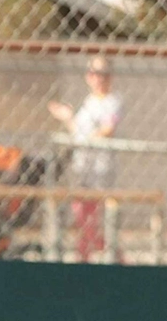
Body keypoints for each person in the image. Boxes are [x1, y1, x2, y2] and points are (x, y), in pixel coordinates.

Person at [48, 56, 122, 262]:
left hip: (100, 169)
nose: (98, 78)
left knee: (93, 217)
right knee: (82, 216)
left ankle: (99, 257)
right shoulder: (89, 103)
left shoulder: (112, 101)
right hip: (82, 167)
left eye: (103, 73)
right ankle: (88, 255)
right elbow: (77, 132)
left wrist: (86, 139)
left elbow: (107, 129)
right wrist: (67, 117)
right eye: (93, 73)